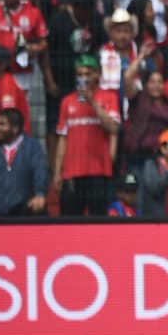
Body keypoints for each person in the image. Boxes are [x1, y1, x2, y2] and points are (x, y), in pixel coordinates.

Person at [54, 54, 120, 215]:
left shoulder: (109, 97)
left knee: (98, 222)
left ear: (98, 74)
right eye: (80, 74)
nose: (84, 78)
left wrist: (92, 102)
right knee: (69, 221)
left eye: (88, 74)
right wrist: (57, 172)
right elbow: (62, 139)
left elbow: (113, 128)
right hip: (72, 172)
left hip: (98, 171)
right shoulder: (67, 101)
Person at [0, 107, 48, 216]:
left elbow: (40, 172)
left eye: (2, 124)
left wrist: (40, 193)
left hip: (23, 212)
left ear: (15, 129)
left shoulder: (32, 147)